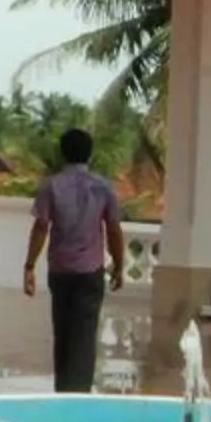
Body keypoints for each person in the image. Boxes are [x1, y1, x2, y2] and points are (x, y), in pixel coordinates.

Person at [25, 128, 127, 393]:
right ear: (89, 154)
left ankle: (63, 388)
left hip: (60, 270)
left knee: (63, 332)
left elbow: (41, 227)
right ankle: (79, 390)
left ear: (63, 153)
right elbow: (113, 229)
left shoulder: (51, 186)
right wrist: (119, 265)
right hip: (90, 271)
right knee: (84, 333)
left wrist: (29, 266)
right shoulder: (103, 187)